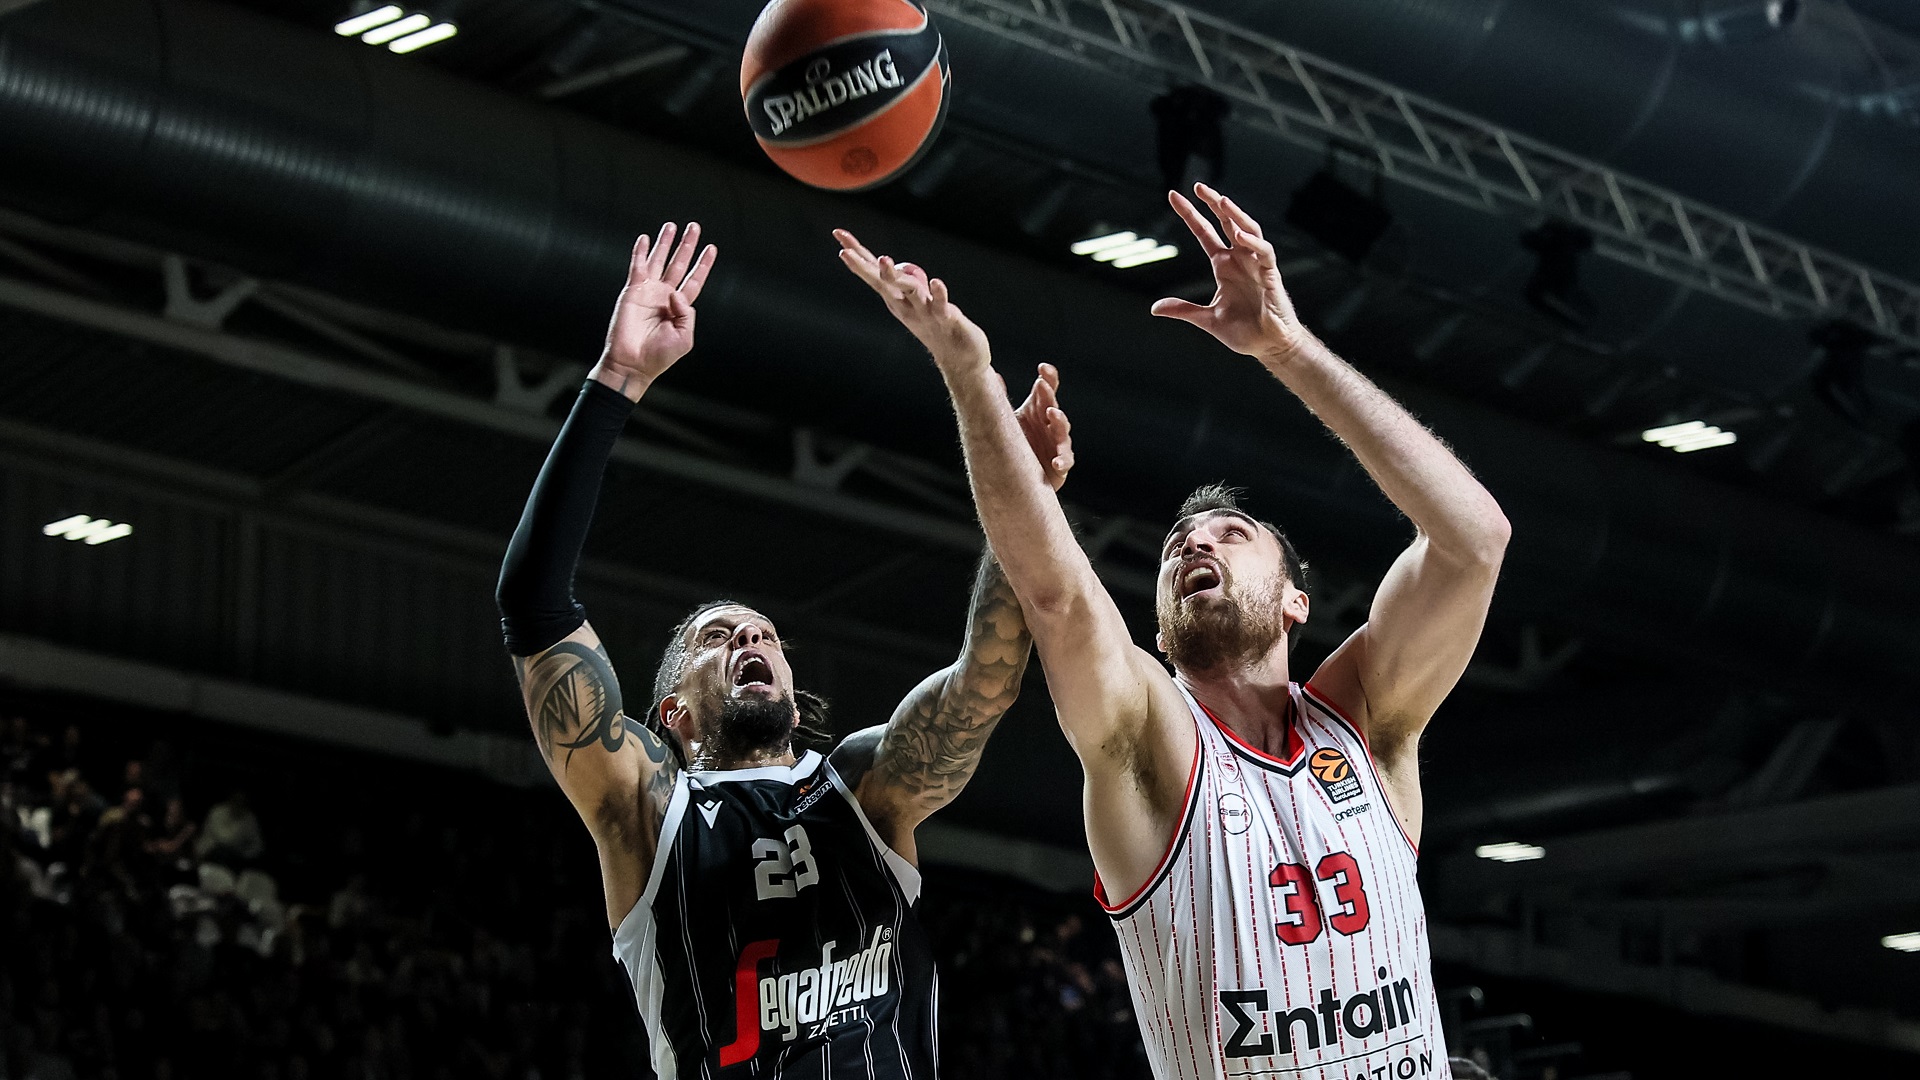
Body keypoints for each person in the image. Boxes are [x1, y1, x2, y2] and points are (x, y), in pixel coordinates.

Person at [837, 182, 1510, 1080]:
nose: (1196, 543)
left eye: (1232, 534)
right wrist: (972, 381)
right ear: (1158, 628)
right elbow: (1055, 597)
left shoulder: (1370, 724)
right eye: (1175, 547)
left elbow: (1474, 541)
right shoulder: (1152, 745)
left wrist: (1287, 347)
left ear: (1297, 601)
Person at [494, 221, 1076, 1079]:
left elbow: (985, 680)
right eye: (718, 637)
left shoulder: (863, 789)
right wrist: (617, 377)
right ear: (673, 714)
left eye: (765, 632)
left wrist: (1026, 490)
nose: (751, 636)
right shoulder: (648, 813)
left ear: (796, 700)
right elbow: (533, 605)